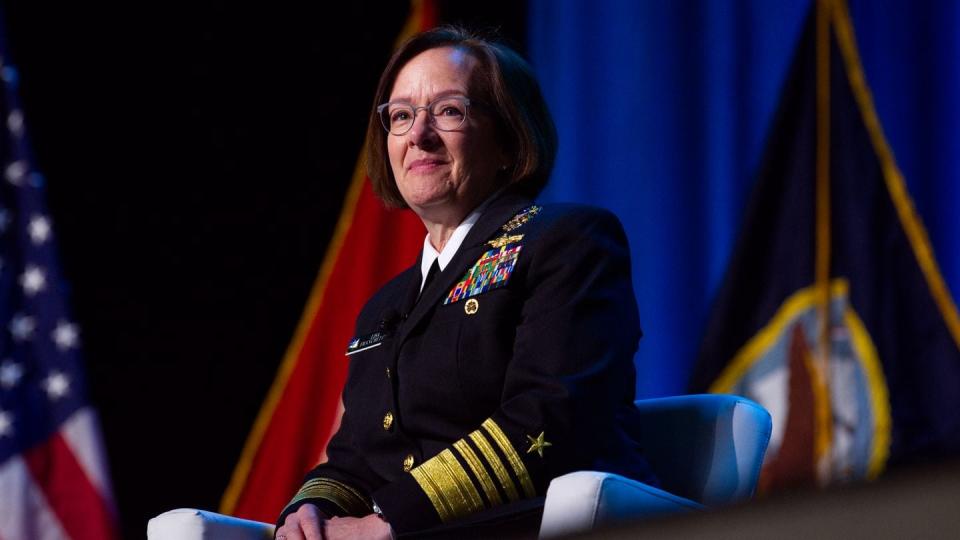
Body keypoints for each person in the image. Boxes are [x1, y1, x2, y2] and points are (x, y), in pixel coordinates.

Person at [274, 26, 656, 540]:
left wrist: (387, 522)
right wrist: (310, 510)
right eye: (402, 116)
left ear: (508, 140)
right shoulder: (384, 307)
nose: (419, 135)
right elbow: (356, 455)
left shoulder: (566, 241)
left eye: (449, 111)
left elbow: (549, 419)